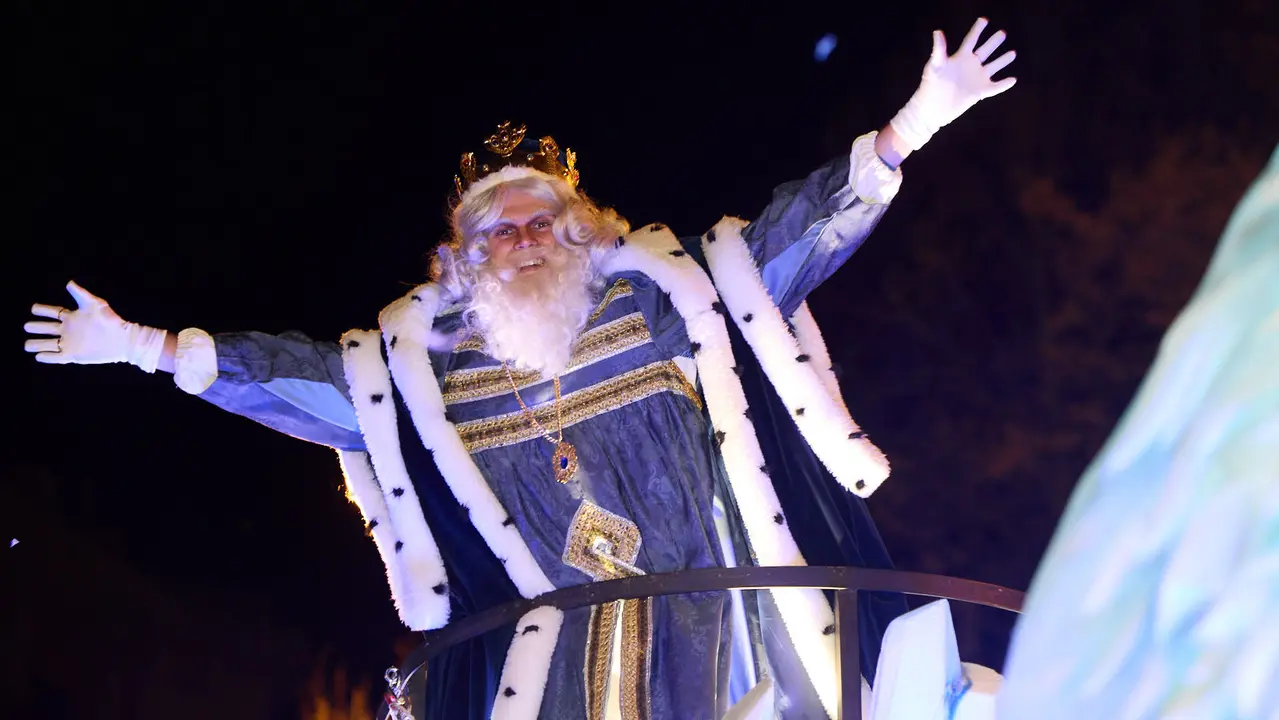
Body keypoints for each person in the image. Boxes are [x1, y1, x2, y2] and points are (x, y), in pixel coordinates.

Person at [24, 17, 1017, 720]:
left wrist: (910, 125)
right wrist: (149, 348)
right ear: (464, 257)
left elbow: (787, 247)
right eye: (499, 228)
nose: (526, 236)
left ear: (583, 228)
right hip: (559, 679)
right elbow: (313, 385)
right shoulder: (435, 378)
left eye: (545, 216)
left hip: (732, 638)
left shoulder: (658, 304)